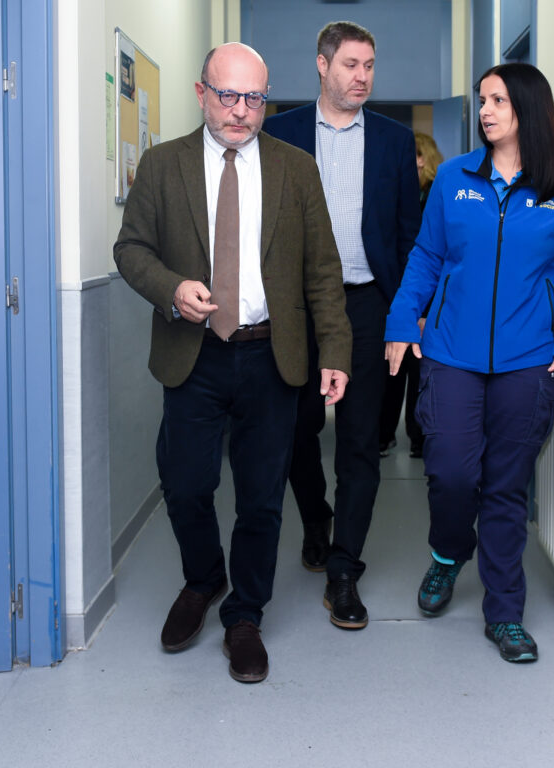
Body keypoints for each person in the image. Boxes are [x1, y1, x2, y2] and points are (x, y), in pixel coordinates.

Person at [113, 42, 352, 684]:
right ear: (201, 94)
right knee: (185, 484)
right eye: (228, 95)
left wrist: (335, 352)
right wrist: (172, 289)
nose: (241, 111)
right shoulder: (163, 166)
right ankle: (203, 578)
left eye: (254, 98)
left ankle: (244, 614)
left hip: (271, 356)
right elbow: (130, 249)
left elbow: (322, 270)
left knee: (261, 499)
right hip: (193, 355)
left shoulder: (295, 169)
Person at [383, 62, 554, 663]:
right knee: (451, 474)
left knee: (506, 487)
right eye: (483, 100)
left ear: (528, 109)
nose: (485, 111)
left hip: (529, 358)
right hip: (452, 353)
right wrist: (403, 322)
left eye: (498, 101)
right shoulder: (455, 176)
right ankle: (447, 553)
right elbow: (426, 256)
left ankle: (505, 613)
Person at [262, 21, 421, 631]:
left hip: (367, 306)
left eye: (370, 66)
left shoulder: (393, 140)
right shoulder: (279, 134)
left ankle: (344, 568)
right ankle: (315, 518)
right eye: (351, 64)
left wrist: (406, 313)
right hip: (295, 307)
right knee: (295, 429)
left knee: (359, 440)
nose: (362, 77)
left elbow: (408, 236)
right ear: (322, 65)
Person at [378, 132, 443, 459]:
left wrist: (425, 311)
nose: (413, 161)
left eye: (418, 154)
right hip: (397, 295)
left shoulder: (437, 194)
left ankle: (418, 438)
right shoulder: (398, 192)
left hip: (426, 303)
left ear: (427, 158)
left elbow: (433, 259)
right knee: (391, 370)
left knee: (419, 373)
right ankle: (384, 435)